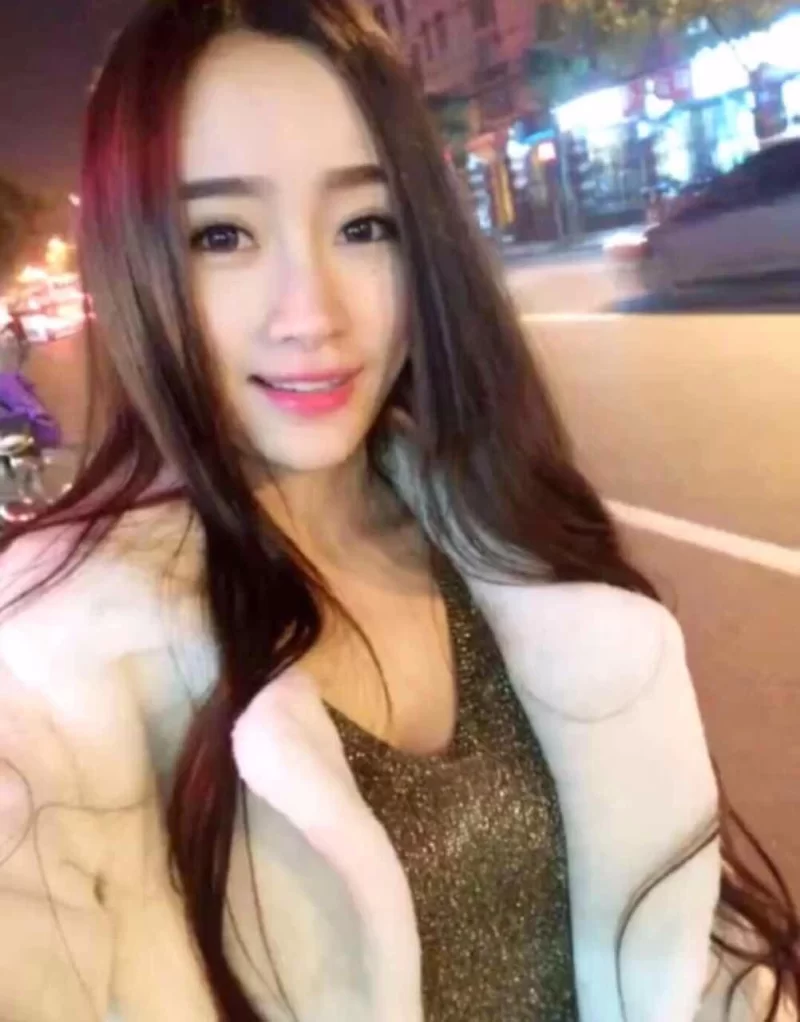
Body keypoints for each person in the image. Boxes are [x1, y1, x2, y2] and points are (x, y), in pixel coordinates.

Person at [0, 1, 796, 1020]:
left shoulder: (501, 534)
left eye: (363, 225)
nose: (313, 314)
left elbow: (693, 940)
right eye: (224, 235)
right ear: (133, 265)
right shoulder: (57, 663)